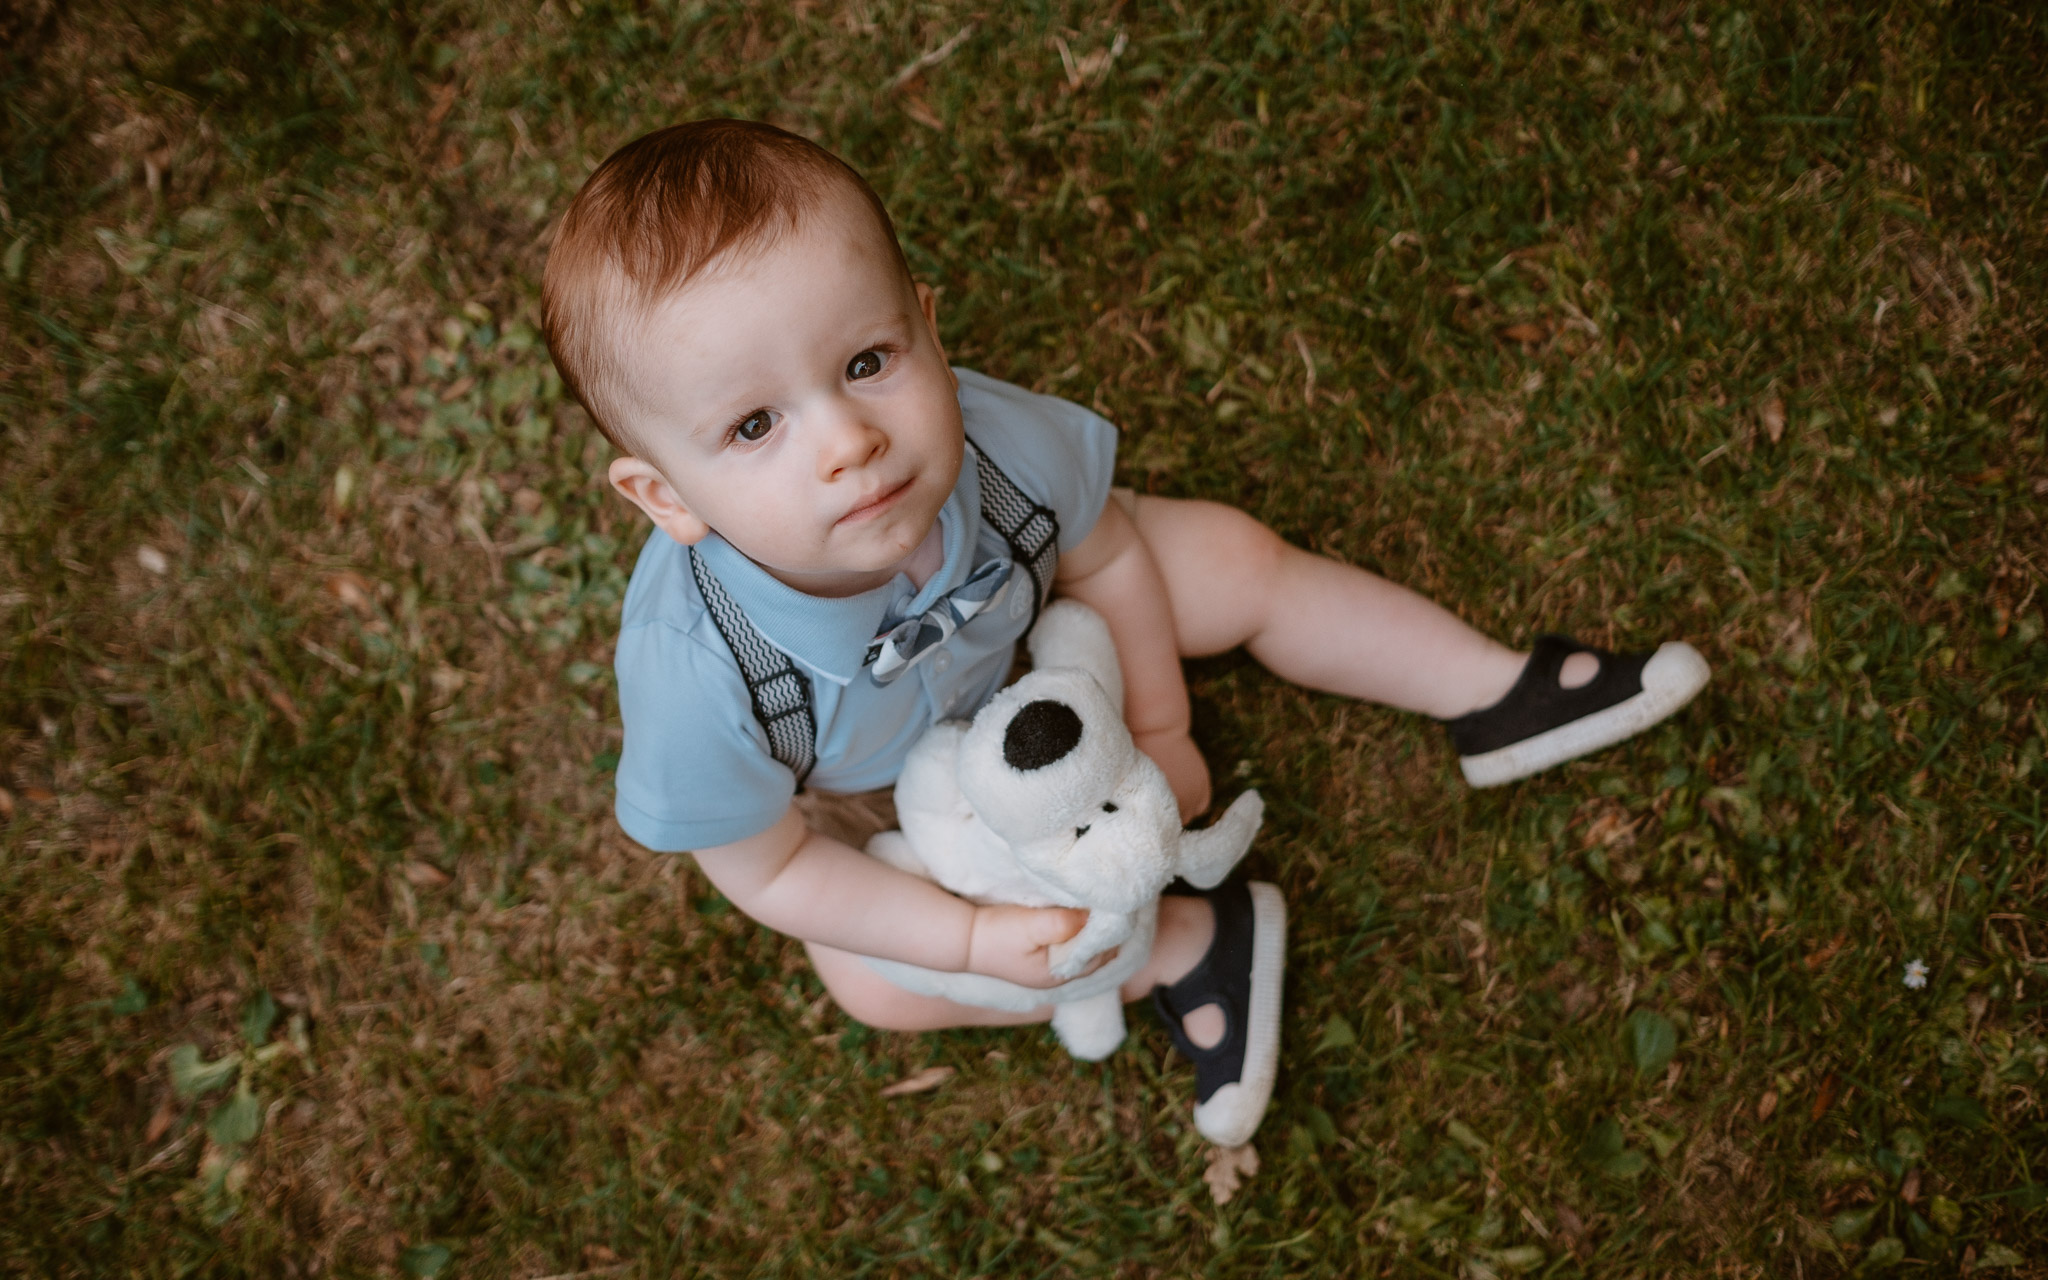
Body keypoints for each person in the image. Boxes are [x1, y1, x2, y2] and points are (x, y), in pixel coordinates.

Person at [539, 120, 1710, 1146]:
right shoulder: (704, 680)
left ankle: (1490, 686)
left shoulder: (990, 445)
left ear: (928, 331)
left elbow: (1101, 552)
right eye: (752, 425)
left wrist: (1158, 718)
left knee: (1236, 560)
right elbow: (770, 864)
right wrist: (964, 936)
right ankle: (1183, 945)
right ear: (664, 497)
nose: (845, 439)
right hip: (875, 780)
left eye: (864, 361)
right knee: (872, 979)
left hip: (1042, 606)